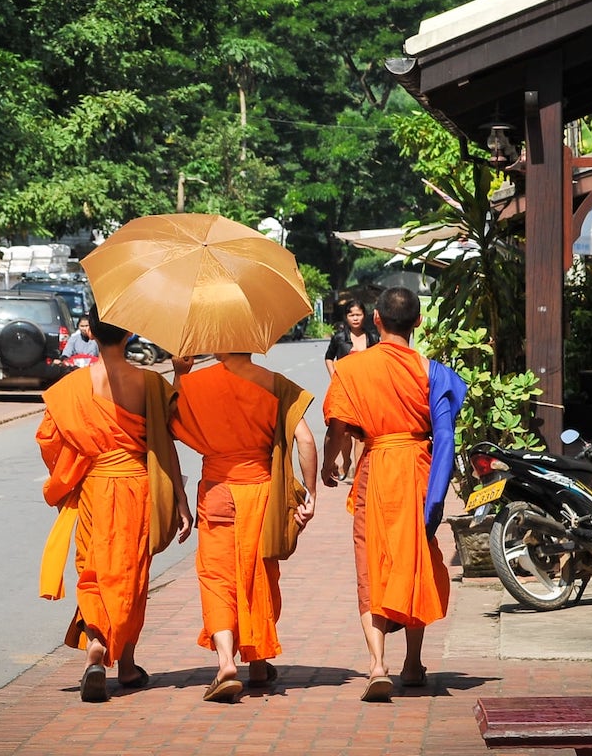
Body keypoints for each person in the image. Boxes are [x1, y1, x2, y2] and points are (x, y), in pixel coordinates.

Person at [35, 306, 194, 703]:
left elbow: (51, 441)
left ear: (91, 334)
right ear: (129, 336)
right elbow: (171, 435)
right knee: (131, 577)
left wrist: (69, 479)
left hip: (93, 489)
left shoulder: (69, 390)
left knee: (93, 569)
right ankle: (125, 665)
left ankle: (95, 650)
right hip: (137, 488)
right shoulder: (149, 384)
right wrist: (181, 499)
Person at [320, 287, 466, 703]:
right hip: (418, 468)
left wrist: (334, 461)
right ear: (418, 322)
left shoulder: (351, 369)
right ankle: (413, 663)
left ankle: (377, 664)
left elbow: (339, 426)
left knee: (372, 564)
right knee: (414, 558)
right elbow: (445, 433)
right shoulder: (430, 371)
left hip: (377, 469)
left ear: (377, 320)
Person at [168, 352, 319, 703]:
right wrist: (310, 493)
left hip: (218, 490)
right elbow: (307, 441)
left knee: (217, 577)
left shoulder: (195, 384)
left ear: (218, 344)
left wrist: (179, 376)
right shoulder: (275, 383)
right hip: (262, 494)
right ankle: (259, 662)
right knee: (259, 575)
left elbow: (170, 426)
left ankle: (225, 662)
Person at [322, 300, 380, 480]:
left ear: (365, 315)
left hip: (365, 390)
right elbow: (329, 357)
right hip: (345, 390)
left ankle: (358, 471)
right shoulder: (339, 338)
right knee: (344, 431)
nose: (355, 318)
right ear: (346, 317)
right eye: (351, 315)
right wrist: (334, 375)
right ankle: (346, 461)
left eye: (358, 314)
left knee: (360, 433)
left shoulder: (372, 337)